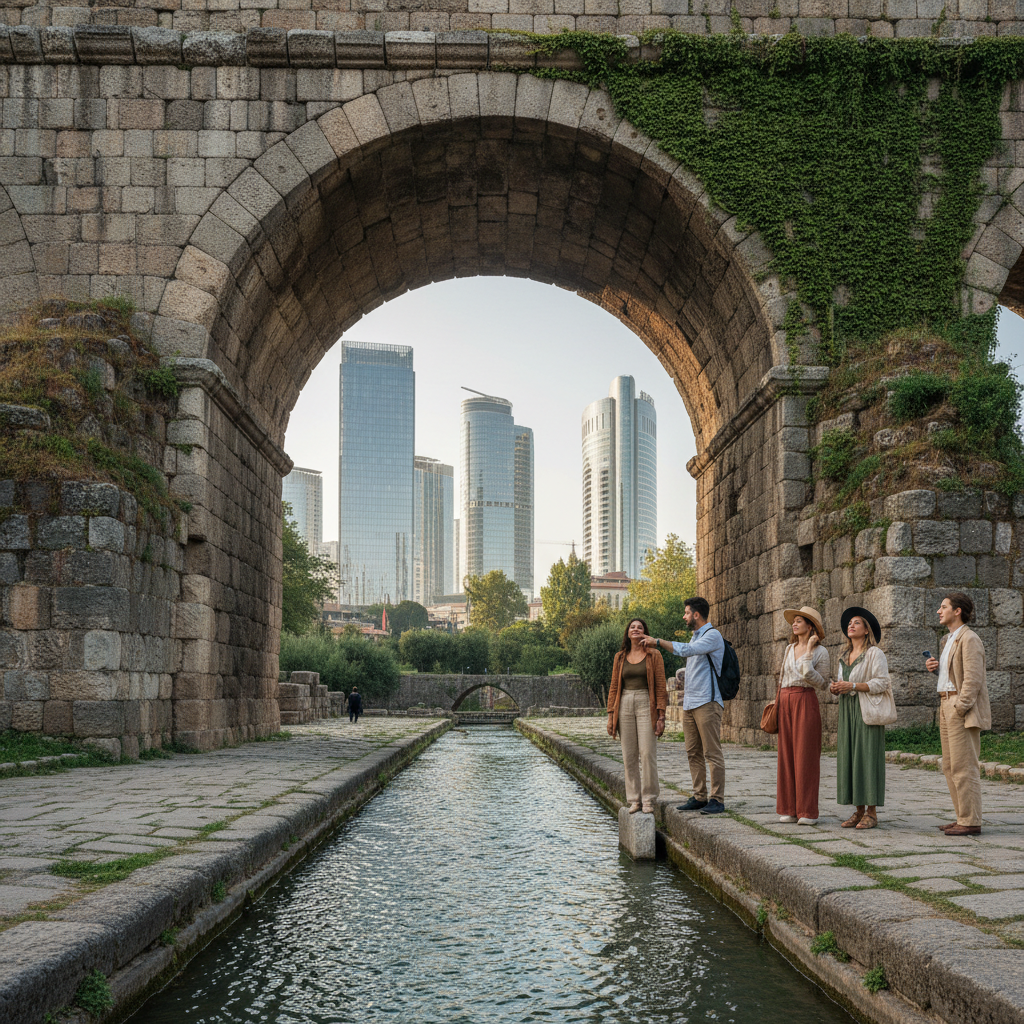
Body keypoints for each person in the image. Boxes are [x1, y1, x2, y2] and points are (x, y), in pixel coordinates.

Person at [644, 597, 727, 815]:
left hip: (707, 702)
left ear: (696, 615)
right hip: (691, 703)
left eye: (686, 612)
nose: (684, 616)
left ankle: (717, 799)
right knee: (693, 752)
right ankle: (700, 796)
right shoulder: (695, 637)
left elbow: (686, 652)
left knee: (712, 752)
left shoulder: (712, 636)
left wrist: (658, 642)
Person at [926, 593, 991, 837]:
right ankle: (962, 817)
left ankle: (971, 820)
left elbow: (973, 679)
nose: (938, 611)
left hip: (957, 706)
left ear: (958, 611)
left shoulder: (969, 638)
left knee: (965, 766)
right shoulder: (948, 640)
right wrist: (937, 670)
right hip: (945, 702)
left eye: (943, 607)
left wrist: (960, 706)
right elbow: (955, 674)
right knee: (951, 766)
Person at [829, 606, 891, 830]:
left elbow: (882, 682)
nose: (851, 625)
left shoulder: (875, 653)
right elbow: (841, 682)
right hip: (847, 711)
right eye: (849, 623)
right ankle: (858, 810)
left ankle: (872, 813)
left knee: (867, 757)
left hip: (866, 711)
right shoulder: (843, 656)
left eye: (856, 622)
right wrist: (835, 688)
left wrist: (853, 685)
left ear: (866, 630)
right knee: (850, 758)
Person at [606, 618, 667, 814]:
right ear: (628, 632)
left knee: (647, 752)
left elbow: (660, 685)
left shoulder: (654, 655)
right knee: (629, 755)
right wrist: (610, 715)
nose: (636, 630)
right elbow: (614, 686)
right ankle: (634, 799)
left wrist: (661, 715)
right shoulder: (620, 657)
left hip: (645, 702)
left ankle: (648, 798)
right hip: (623, 703)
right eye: (632, 627)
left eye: (639, 627)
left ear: (645, 632)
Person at [776, 607, 829, 826]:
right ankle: (789, 808)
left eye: (799, 621)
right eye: (793, 621)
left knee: (805, 756)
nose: (794, 624)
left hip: (806, 699)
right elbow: (782, 677)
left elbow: (823, 683)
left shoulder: (820, 652)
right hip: (785, 700)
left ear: (810, 626)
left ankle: (807, 810)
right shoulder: (789, 648)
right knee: (786, 755)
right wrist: (777, 702)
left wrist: (808, 655)